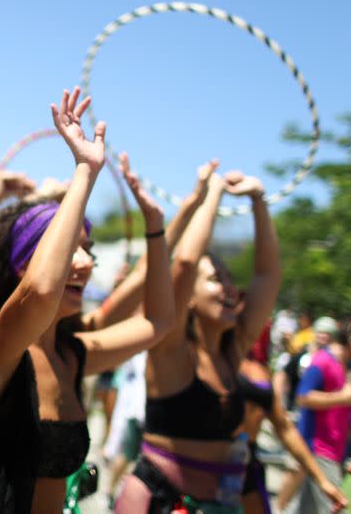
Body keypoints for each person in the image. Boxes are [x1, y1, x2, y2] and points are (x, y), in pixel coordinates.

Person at [0, 87, 175, 514]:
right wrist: (85, 170)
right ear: (22, 266)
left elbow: (157, 323)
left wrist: (155, 228)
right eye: (68, 249)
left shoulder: (71, 356)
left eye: (89, 249)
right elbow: (40, 293)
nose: (84, 263)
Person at [115, 168, 281, 513]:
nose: (226, 288)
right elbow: (186, 262)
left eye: (228, 279)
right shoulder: (169, 348)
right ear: (188, 296)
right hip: (160, 502)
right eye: (214, 280)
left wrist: (258, 200)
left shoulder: (232, 350)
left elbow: (267, 276)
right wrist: (213, 194)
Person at [238, 329, 346, 514]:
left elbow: (284, 427)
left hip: (246, 468)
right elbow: (302, 397)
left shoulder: (258, 372)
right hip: (317, 446)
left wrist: (323, 481)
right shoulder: (322, 361)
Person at [287, 316, 351, 514]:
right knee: (334, 508)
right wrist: (342, 397)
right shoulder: (323, 361)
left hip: (335, 451)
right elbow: (303, 397)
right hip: (320, 449)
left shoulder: (343, 365)